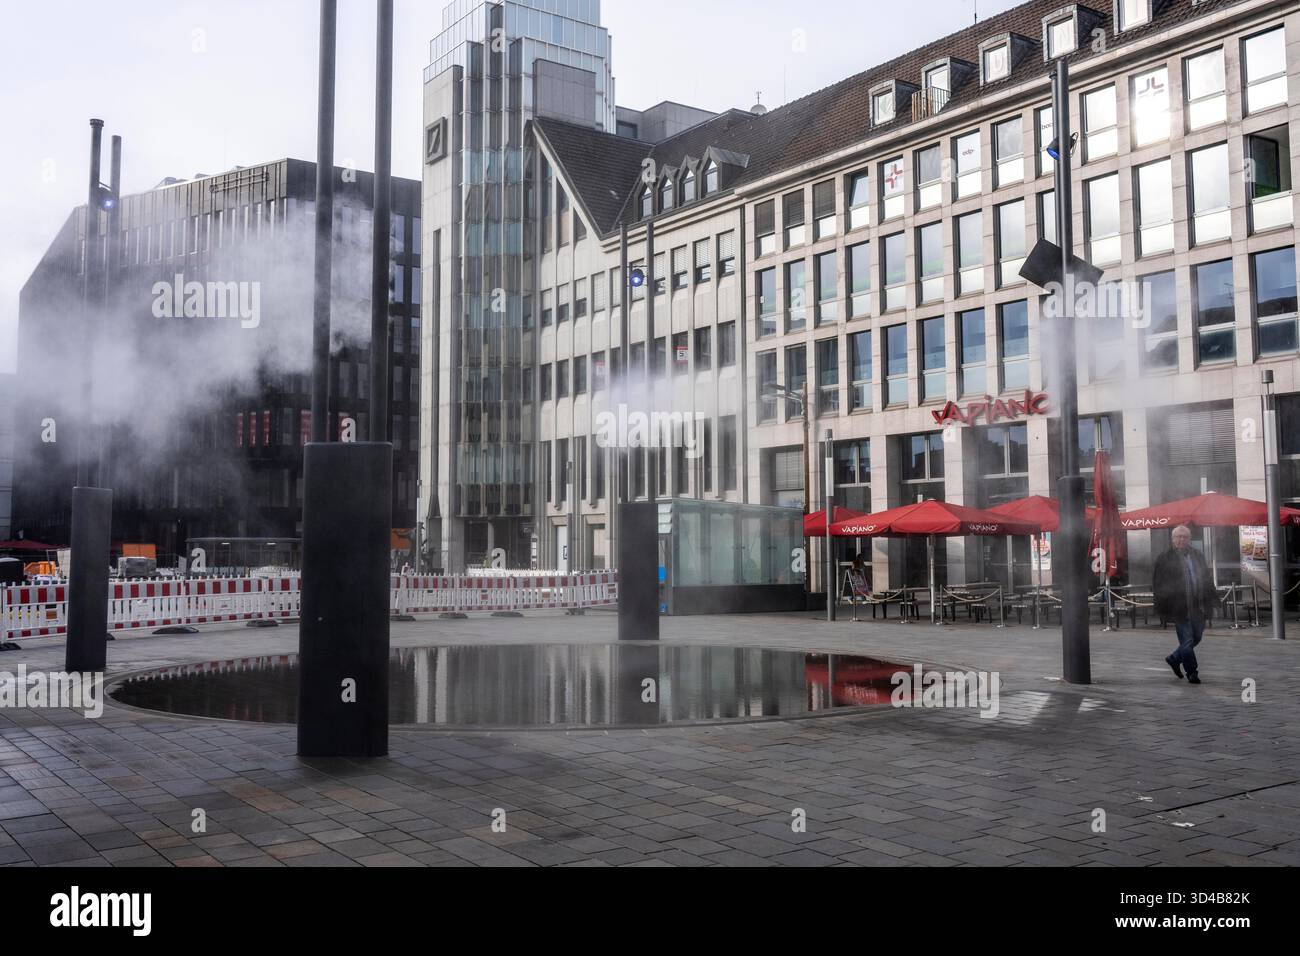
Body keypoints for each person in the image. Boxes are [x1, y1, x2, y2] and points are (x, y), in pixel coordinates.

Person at [1152, 525, 1218, 684]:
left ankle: (1174, 658)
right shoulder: (1165, 557)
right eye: (1178, 537)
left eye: (1185, 537)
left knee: (1196, 637)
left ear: (1189, 539)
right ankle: (1192, 673)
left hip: (1199, 605)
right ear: (1173, 539)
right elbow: (1158, 583)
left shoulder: (1197, 555)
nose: (1182, 539)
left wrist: (1214, 599)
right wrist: (1163, 605)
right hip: (1179, 606)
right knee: (1187, 641)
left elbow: (1207, 578)